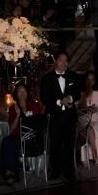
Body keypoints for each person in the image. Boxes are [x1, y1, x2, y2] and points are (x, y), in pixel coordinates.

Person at [41, 52, 80, 182]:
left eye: (66, 61)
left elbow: (78, 93)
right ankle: (56, 171)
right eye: (61, 60)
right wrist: (59, 101)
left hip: (70, 116)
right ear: (56, 61)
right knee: (55, 144)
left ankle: (69, 171)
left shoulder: (73, 76)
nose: (64, 63)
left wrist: (70, 97)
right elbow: (45, 97)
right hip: (55, 116)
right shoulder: (47, 78)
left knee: (69, 144)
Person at [1, 82, 44, 184]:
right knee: (6, 141)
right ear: (16, 94)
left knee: (11, 143)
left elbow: (38, 123)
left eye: (24, 91)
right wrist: (17, 115)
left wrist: (25, 111)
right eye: (19, 91)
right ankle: (10, 171)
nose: (22, 93)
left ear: (27, 93)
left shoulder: (34, 105)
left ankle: (15, 169)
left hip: (32, 137)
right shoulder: (12, 108)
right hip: (18, 137)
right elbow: (11, 129)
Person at [77, 71, 98, 168]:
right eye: (88, 80)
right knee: (87, 129)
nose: (90, 82)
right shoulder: (82, 94)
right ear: (85, 81)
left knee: (90, 130)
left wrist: (96, 109)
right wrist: (85, 109)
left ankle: (89, 156)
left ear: (95, 81)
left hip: (96, 120)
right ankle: (96, 156)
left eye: (92, 80)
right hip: (84, 121)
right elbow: (77, 110)